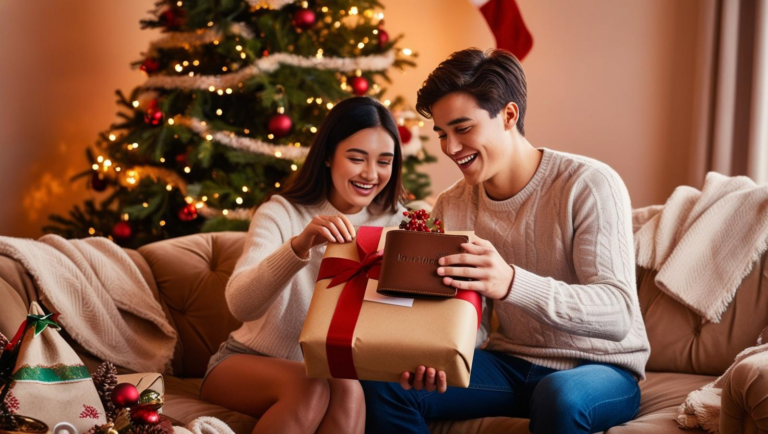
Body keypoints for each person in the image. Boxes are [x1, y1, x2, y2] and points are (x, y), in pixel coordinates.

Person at [361, 48, 651, 434]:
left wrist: (511, 282)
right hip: (509, 364)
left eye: (463, 129)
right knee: (382, 383)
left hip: (599, 367)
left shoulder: (588, 184)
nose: (449, 148)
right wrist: (437, 353)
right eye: (443, 134)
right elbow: (467, 319)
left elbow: (617, 313)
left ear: (509, 115)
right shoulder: (452, 204)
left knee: (560, 397)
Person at [201, 97, 407, 434]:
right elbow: (241, 304)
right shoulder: (281, 212)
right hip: (247, 361)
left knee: (349, 391)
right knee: (311, 386)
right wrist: (299, 246)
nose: (371, 174)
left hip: (334, 371)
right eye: (356, 158)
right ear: (327, 156)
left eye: (384, 162)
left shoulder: (398, 222)